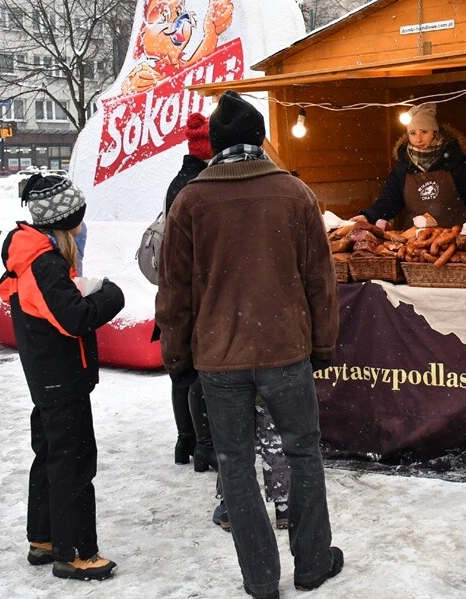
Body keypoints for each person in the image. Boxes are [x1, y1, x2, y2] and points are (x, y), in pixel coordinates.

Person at [156, 90, 343, 599]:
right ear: (261, 139)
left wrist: (177, 358)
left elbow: (174, 291)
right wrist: (323, 347)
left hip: (219, 359)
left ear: (213, 145)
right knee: (303, 453)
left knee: (235, 464)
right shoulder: (295, 194)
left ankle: (260, 578)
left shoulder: (191, 200)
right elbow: (320, 282)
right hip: (286, 351)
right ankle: (311, 564)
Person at [0, 174, 124, 582]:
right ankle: (76, 553)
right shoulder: (45, 263)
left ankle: (45, 538)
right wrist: (110, 296)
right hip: (59, 376)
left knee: (51, 454)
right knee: (73, 461)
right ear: (69, 219)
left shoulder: (35, 255)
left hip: (50, 374)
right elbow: (74, 318)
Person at [164, 111, 217, 472]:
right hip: (195, 288)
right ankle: (202, 446)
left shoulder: (179, 181)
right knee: (196, 373)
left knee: (182, 371)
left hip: (178, 287)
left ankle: (186, 442)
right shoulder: (200, 185)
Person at [351, 102, 466, 227]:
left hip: (455, 239)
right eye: (413, 133)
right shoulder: (403, 167)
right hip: (416, 244)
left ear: (435, 132)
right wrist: (368, 216)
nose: (418, 139)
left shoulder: (455, 161)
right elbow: (389, 201)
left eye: (424, 132)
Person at [211, 401, 290, 533]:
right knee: (275, 441)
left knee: (234, 441)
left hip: (235, 389)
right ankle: (284, 506)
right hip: (270, 388)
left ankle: (230, 507)